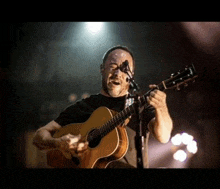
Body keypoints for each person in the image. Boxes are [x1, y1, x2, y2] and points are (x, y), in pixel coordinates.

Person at [33, 46, 173, 168]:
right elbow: (39, 136)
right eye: (113, 66)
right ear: (102, 69)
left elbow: (164, 137)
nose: (118, 73)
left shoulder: (139, 105)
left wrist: (161, 108)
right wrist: (58, 143)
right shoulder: (84, 106)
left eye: (125, 69)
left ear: (131, 76)